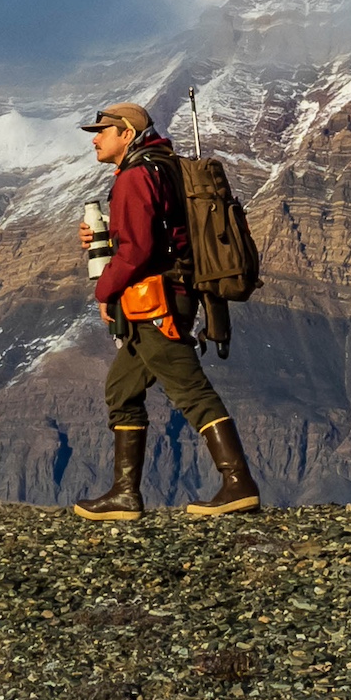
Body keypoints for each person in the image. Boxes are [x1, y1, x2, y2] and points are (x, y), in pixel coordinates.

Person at [72, 103, 261, 520]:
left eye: (102, 130)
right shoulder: (163, 168)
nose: (95, 138)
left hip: (155, 301)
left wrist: (105, 291)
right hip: (170, 294)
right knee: (122, 389)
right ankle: (124, 495)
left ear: (127, 133)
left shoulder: (136, 176)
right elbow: (152, 233)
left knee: (190, 390)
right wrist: (104, 235)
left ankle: (238, 484)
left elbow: (139, 250)